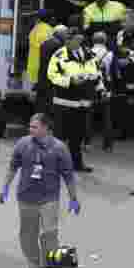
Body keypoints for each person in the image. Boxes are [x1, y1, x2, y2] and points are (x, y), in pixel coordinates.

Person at [47, 31, 102, 171]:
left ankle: (77, 164)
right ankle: (55, 164)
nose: (75, 43)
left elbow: (97, 73)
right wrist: (70, 81)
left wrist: (100, 88)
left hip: (83, 102)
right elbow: (52, 75)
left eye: (78, 40)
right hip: (64, 102)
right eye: (70, 40)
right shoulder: (59, 55)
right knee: (59, 136)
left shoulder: (89, 54)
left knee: (78, 135)